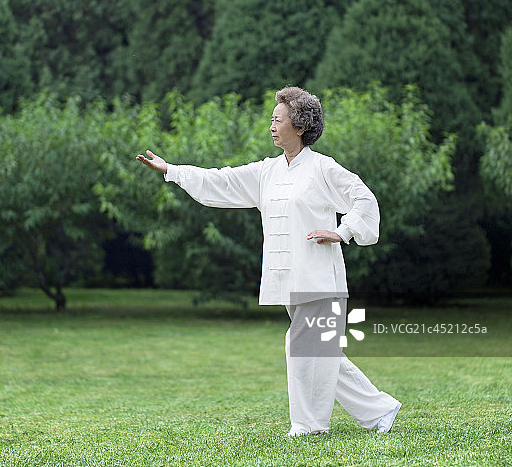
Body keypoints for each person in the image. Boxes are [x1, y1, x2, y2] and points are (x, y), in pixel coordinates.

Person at [136, 86, 401, 436]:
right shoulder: (267, 171)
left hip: (320, 276)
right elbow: (223, 180)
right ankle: (381, 410)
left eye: (278, 120)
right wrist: (173, 170)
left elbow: (363, 199)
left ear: (300, 127)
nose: (272, 126)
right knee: (321, 352)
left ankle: (308, 425)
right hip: (289, 277)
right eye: (271, 120)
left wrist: (344, 231)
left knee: (303, 346)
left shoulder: (323, 169)